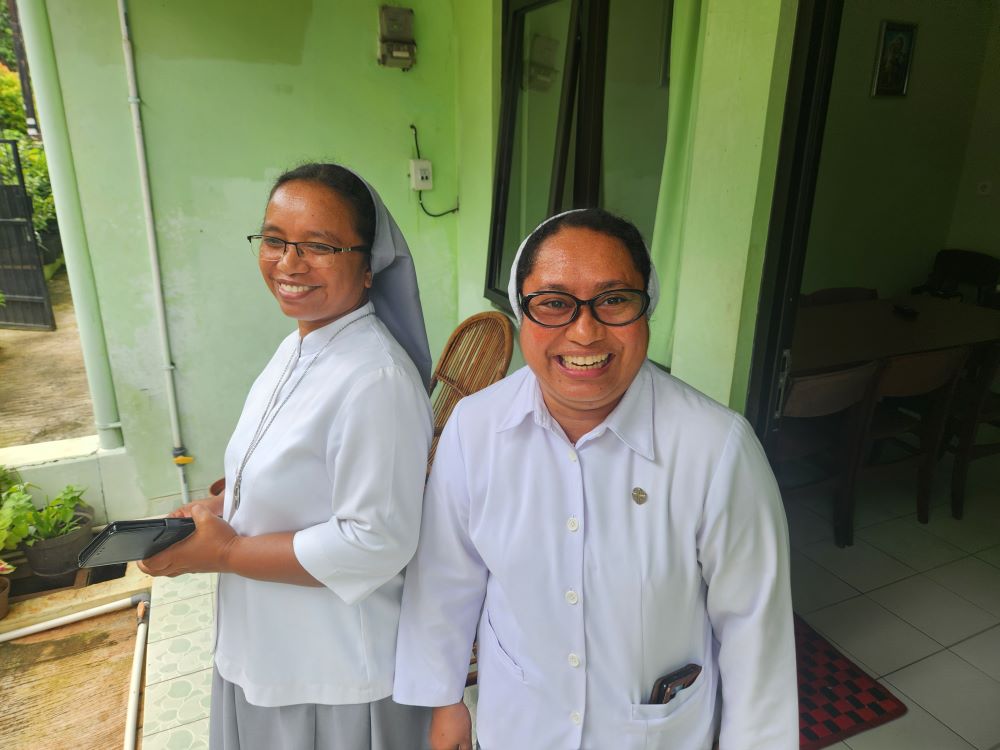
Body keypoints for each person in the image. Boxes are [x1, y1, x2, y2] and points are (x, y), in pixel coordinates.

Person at [393, 208, 797, 749]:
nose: (584, 331)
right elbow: (445, 579)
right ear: (521, 311)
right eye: (553, 303)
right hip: (518, 728)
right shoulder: (475, 427)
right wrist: (446, 702)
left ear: (646, 307)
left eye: (614, 300)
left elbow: (755, 632)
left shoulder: (716, 447)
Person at [139, 163, 434, 750]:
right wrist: (216, 510)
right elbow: (289, 472)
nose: (289, 264)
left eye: (320, 246)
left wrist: (226, 552)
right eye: (274, 240)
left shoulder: (375, 379)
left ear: (369, 265)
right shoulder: (298, 346)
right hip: (267, 648)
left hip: (331, 678)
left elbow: (375, 540)